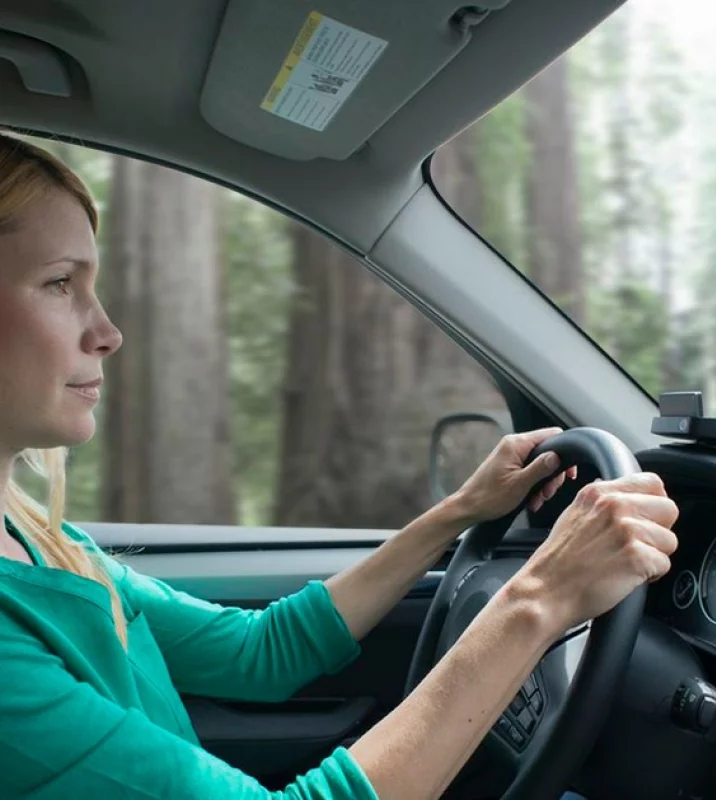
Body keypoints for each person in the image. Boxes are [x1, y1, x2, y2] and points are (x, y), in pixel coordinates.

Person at [0, 134, 680, 799]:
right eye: (60, 283)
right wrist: (540, 598)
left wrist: (461, 511)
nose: (108, 332)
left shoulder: (42, 539)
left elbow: (258, 653)